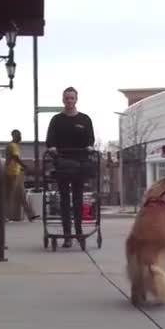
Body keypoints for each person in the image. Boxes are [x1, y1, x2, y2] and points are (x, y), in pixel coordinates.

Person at [45, 87, 95, 248]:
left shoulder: (85, 119)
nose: (69, 101)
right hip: (63, 164)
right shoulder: (56, 120)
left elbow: (90, 140)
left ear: (76, 100)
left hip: (80, 164)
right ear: (63, 100)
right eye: (67, 98)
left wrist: (89, 147)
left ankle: (79, 232)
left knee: (78, 199)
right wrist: (52, 148)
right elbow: (50, 140)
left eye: (72, 98)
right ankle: (68, 235)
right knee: (65, 200)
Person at [4, 129, 39, 222]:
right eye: (18, 135)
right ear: (14, 136)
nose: (20, 137)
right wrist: (24, 165)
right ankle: (6, 216)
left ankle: (31, 215)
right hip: (11, 173)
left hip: (17, 173)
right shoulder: (12, 146)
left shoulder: (16, 146)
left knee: (22, 195)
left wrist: (21, 168)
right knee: (10, 195)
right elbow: (15, 157)